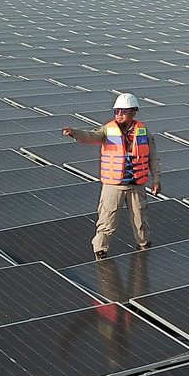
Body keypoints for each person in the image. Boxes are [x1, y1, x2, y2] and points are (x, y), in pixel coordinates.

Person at [62, 93, 161, 260]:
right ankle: (100, 250)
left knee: (140, 220)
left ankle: (144, 245)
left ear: (133, 112)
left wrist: (156, 179)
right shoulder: (107, 130)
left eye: (123, 111)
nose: (119, 114)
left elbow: (153, 157)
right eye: (117, 111)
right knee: (107, 219)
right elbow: (91, 136)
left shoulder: (144, 132)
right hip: (113, 185)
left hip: (136, 184)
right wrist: (75, 133)